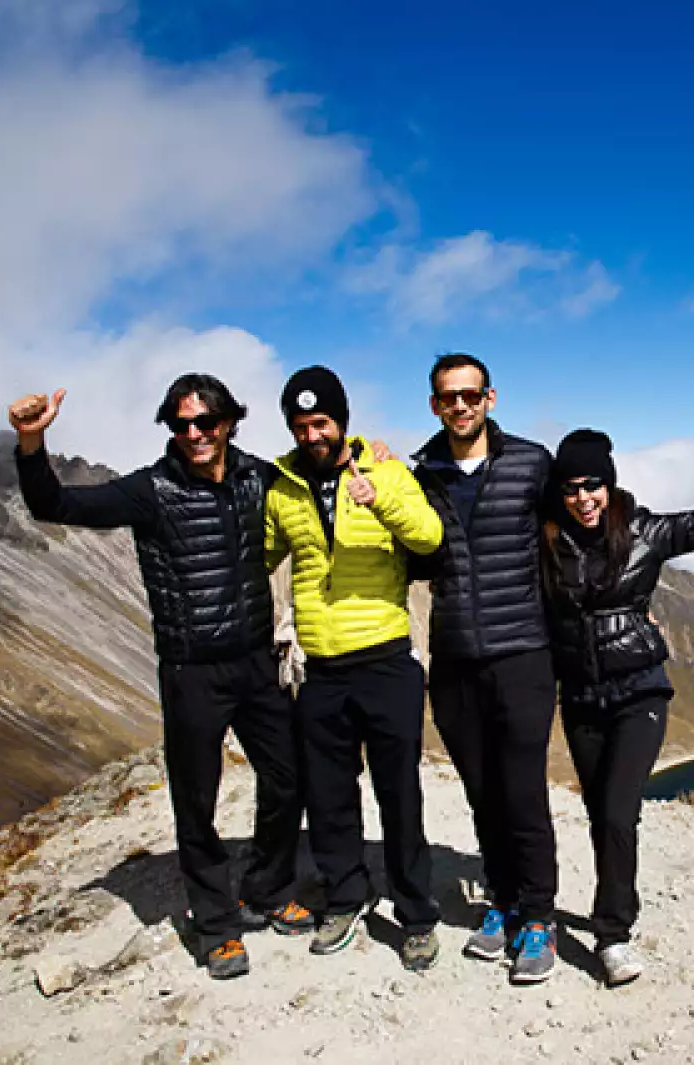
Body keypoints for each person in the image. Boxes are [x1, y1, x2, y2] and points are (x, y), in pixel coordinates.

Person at [8, 377, 310, 981]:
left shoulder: (259, 478)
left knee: (289, 777)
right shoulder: (152, 490)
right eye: (180, 425)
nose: (193, 434)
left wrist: (370, 452)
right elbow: (55, 506)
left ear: (229, 422)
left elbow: (319, 470)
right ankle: (217, 924)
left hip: (255, 660)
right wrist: (31, 443)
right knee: (195, 801)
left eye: (205, 422)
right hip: (191, 670)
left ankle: (267, 889)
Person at [542, 422, 694, 987]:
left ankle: (612, 936)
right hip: (580, 696)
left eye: (593, 486)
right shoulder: (547, 539)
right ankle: (606, 913)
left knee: (615, 812)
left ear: (610, 485)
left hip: (639, 690)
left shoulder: (645, 529)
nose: (584, 498)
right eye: (572, 488)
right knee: (598, 815)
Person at [265, 366, 446, 971]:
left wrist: (381, 498)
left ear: (342, 420)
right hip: (321, 668)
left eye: (321, 422)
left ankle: (416, 914)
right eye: (300, 425)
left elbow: (429, 538)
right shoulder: (282, 486)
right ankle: (345, 896)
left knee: (400, 795)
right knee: (330, 796)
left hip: (387, 660)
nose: (312, 434)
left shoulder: (387, 473)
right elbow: (263, 552)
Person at [408, 353, 561, 984]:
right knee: (481, 792)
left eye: (470, 395)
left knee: (522, 790)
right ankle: (499, 902)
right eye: (448, 397)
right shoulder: (423, 473)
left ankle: (540, 917)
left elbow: (576, 528)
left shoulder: (531, 463)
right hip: (454, 661)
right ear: (435, 405)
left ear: (490, 398)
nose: (461, 406)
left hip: (523, 652)